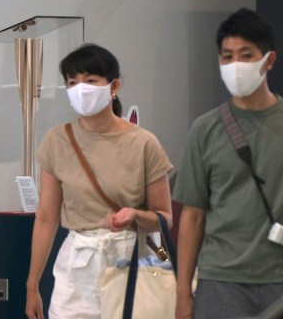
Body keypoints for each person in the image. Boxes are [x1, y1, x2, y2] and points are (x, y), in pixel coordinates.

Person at [173, 8, 283, 319]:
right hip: (221, 281)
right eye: (227, 57)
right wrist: (183, 292)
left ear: (269, 60)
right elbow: (192, 217)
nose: (235, 65)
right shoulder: (205, 128)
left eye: (245, 54)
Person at [25, 43, 174, 319]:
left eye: (91, 80)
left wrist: (136, 215)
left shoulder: (143, 142)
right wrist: (32, 283)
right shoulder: (57, 141)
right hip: (77, 264)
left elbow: (165, 216)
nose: (81, 88)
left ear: (113, 85)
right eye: (72, 82)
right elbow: (46, 217)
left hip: (130, 261)